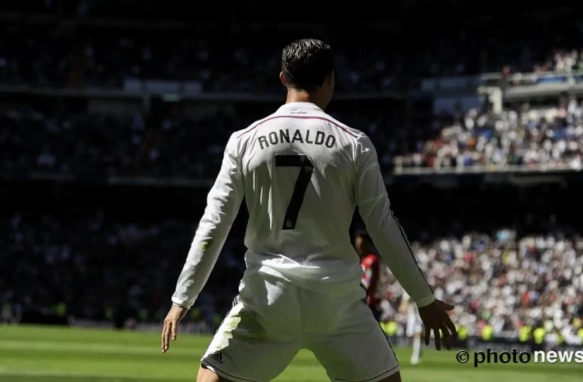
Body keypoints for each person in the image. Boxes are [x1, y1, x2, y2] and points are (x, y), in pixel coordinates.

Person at [161, 38, 456, 382]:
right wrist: (424, 299)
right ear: (330, 79)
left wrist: (182, 298)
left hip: (268, 298)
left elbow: (215, 223)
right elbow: (383, 225)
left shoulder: (244, 140)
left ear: (283, 78)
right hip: (337, 303)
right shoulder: (354, 143)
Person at [355, 231, 382, 320]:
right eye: (357, 244)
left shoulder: (371, 260)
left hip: (368, 302)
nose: (358, 246)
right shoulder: (360, 261)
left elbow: (368, 282)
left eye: (361, 244)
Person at [400, 294, 423, 365]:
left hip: (418, 314)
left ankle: (416, 356)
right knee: (414, 336)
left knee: (417, 334)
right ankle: (418, 355)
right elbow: (404, 304)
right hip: (412, 315)